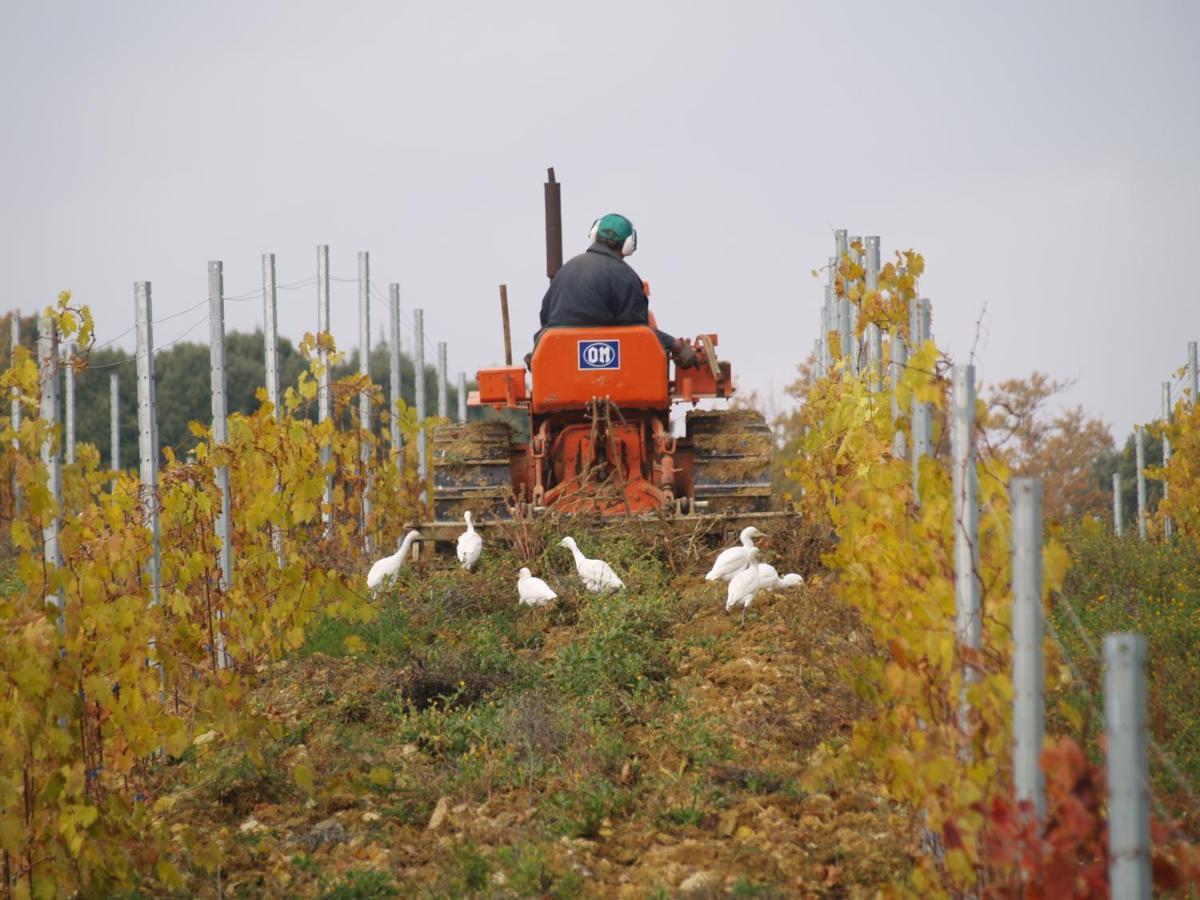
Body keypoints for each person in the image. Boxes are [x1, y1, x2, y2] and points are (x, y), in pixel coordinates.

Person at [530, 213, 699, 368]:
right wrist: (676, 345)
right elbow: (637, 334)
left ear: (594, 233)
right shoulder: (626, 278)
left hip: (559, 367)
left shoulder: (565, 271)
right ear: (628, 245)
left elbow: (545, 318)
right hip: (612, 380)